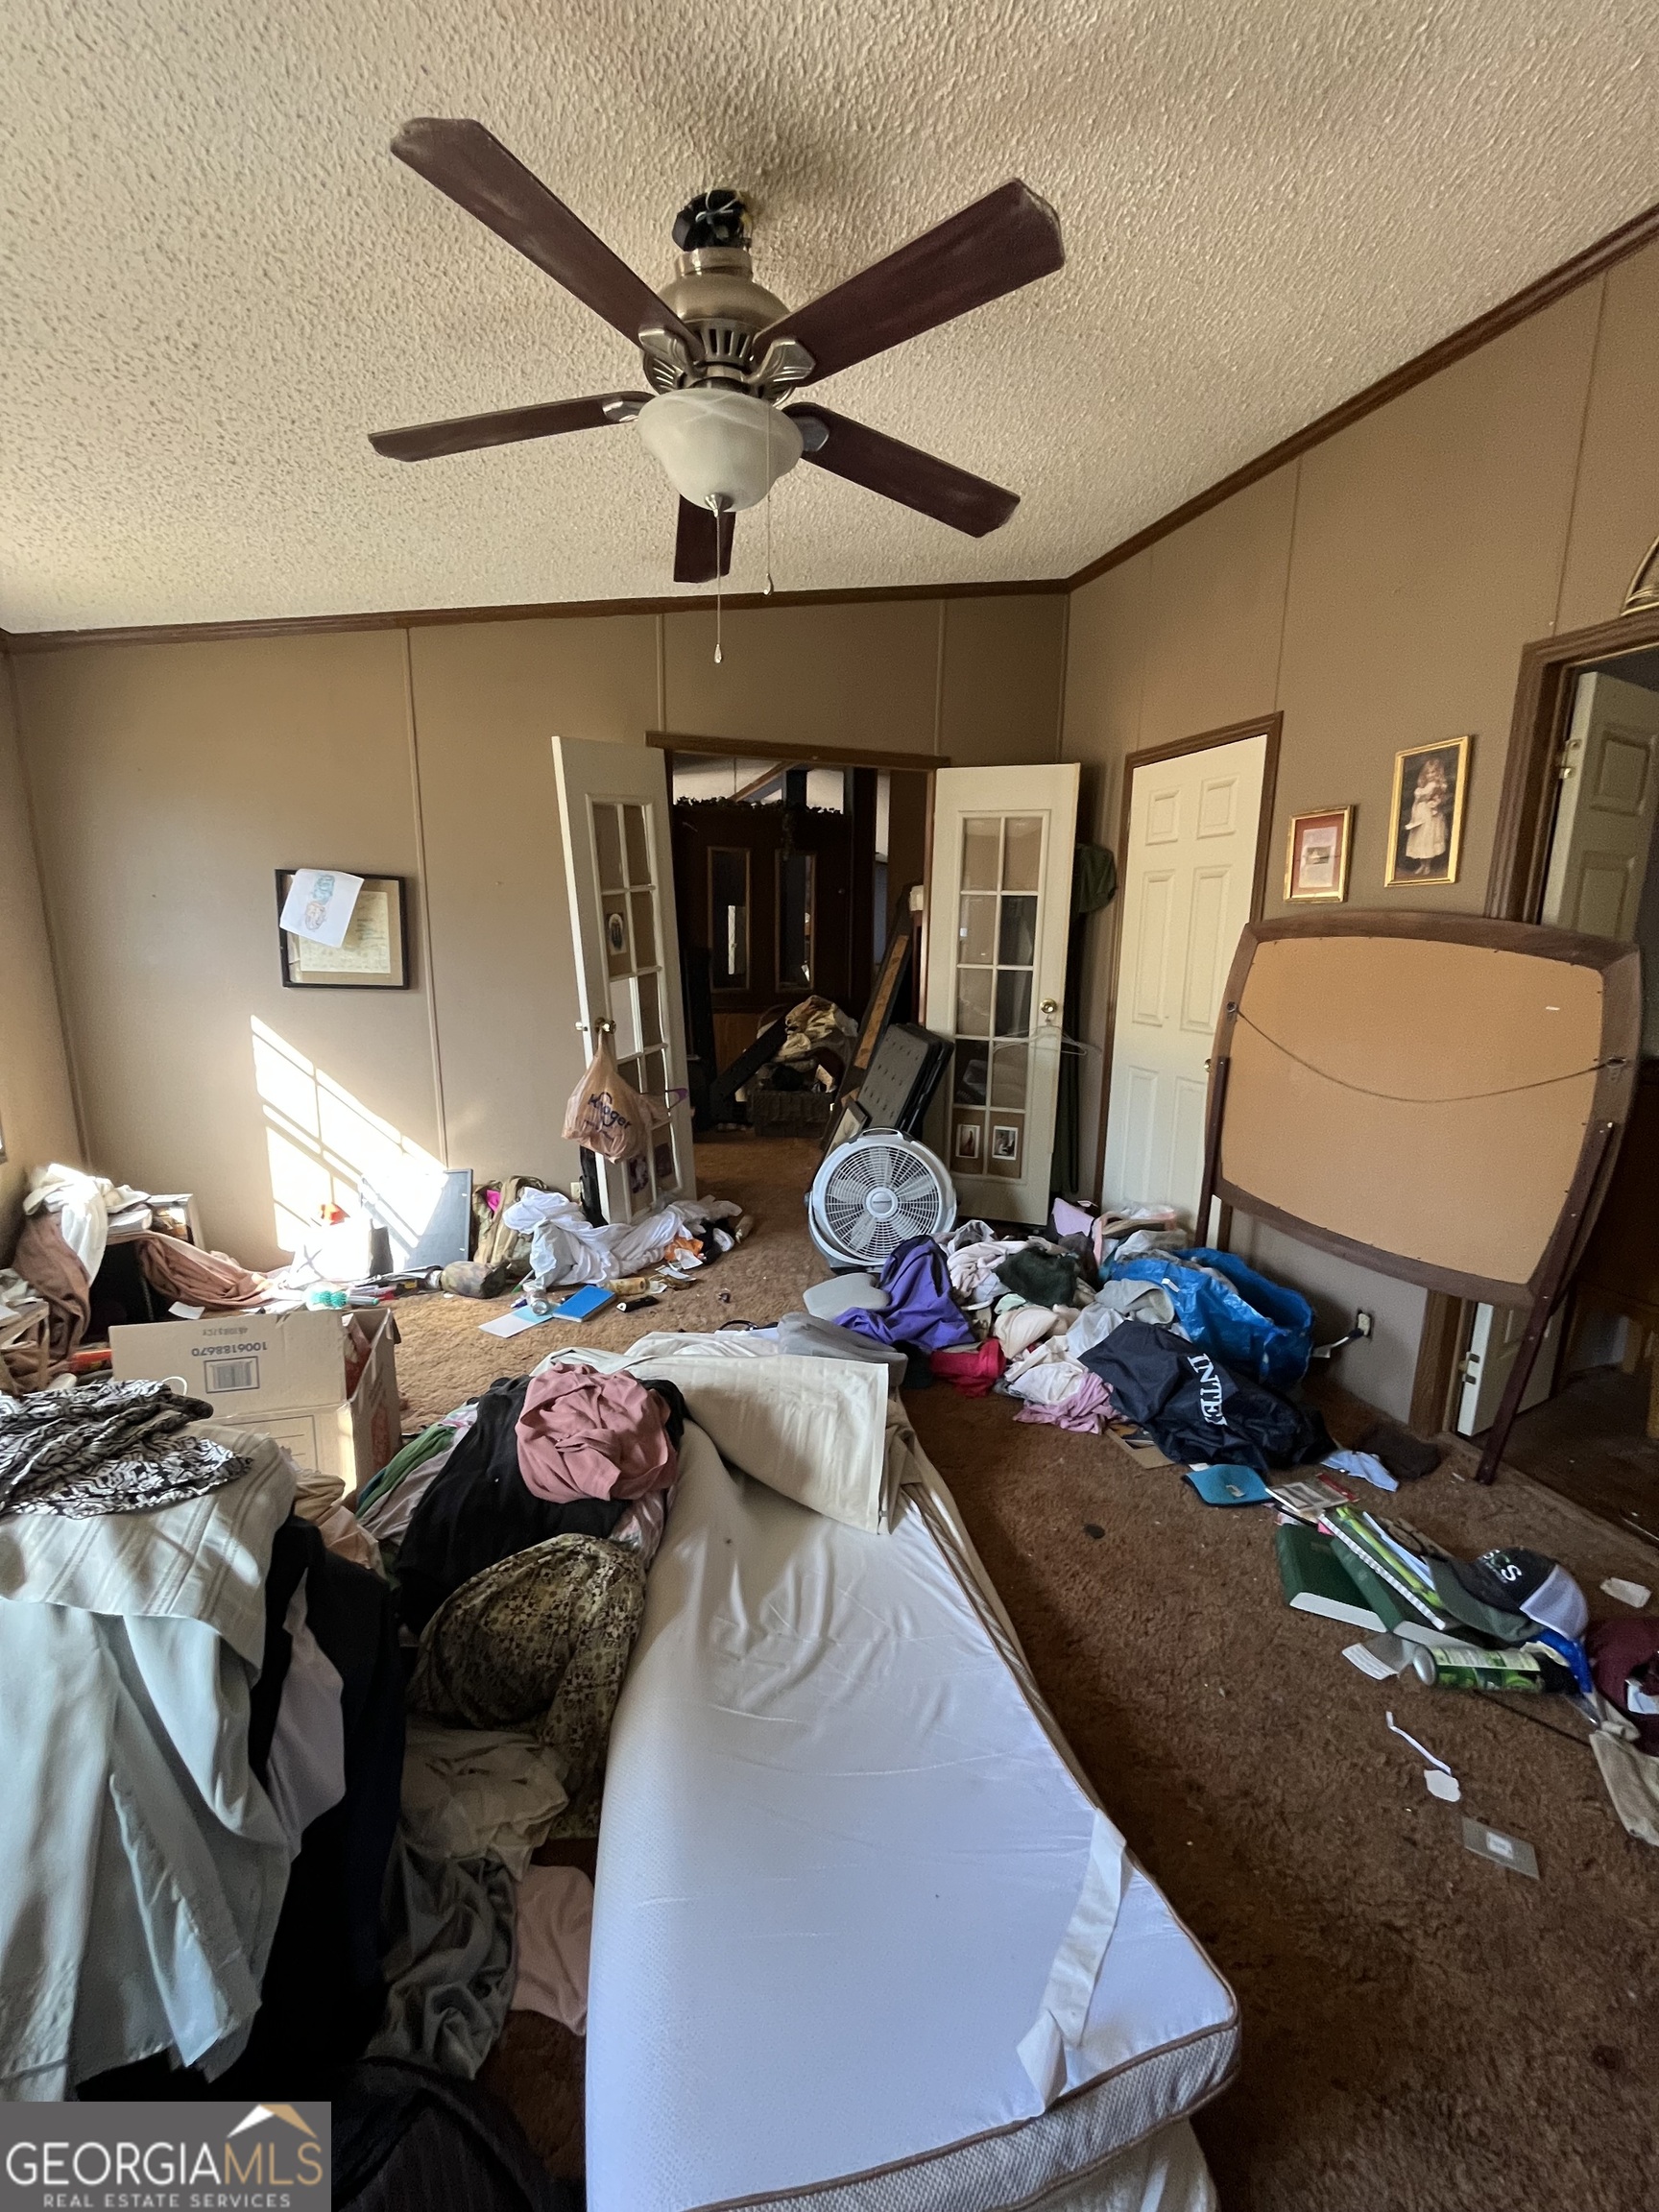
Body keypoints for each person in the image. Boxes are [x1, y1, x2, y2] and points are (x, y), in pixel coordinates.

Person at [1401, 756, 1451, 875]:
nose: (1430, 775)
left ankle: (1427, 865)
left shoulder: (1435, 786)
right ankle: (1422, 864)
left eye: (1433, 772)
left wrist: (1433, 801)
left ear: (1437, 773)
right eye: (1428, 773)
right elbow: (1417, 800)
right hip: (1420, 813)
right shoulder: (1424, 787)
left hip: (1429, 814)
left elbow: (1431, 797)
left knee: (1427, 838)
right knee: (1420, 839)